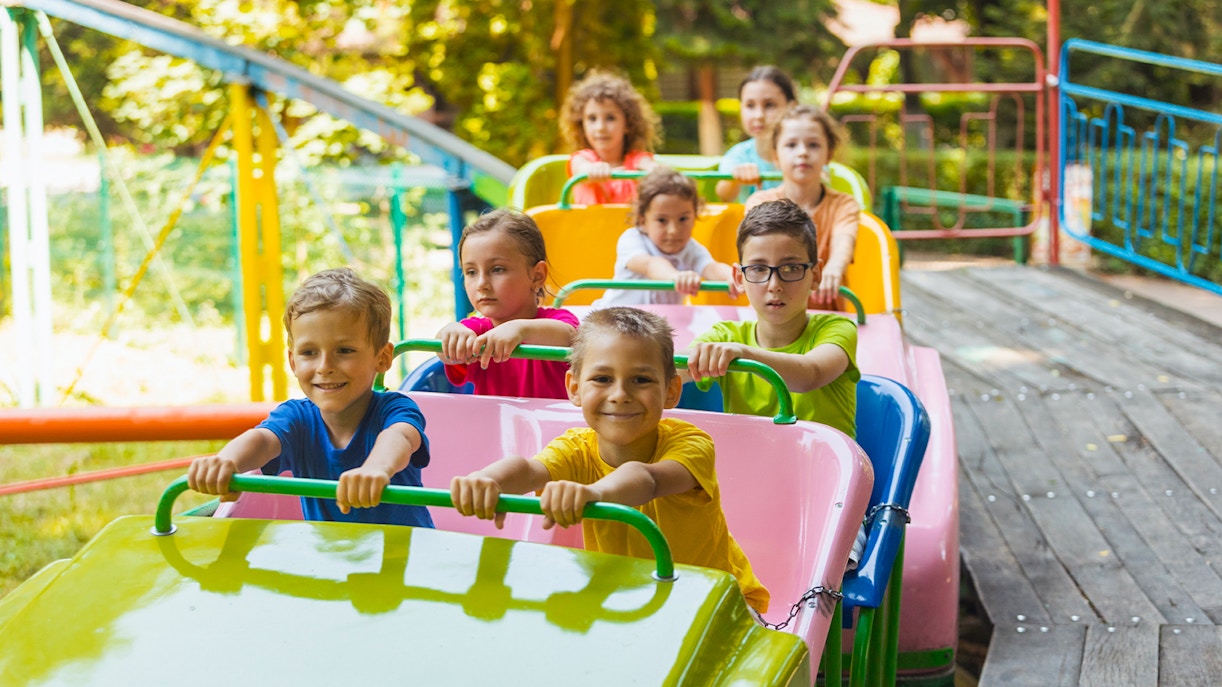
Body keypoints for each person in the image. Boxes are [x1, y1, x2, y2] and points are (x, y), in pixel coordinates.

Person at [449, 306, 769, 615]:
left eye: (641, 380)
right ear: (574, 388)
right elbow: (529, 469)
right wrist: (489, 480)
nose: (619, 394)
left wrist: (594, 494)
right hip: (634, 602)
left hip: (720, 603)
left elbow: (648, 479)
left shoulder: (691, 443)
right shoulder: (577, 447)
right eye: (602, 379)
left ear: (671, 391)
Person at [188, 268, 433, 527]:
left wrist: (376, 469)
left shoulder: (394, 409)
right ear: (293, 361)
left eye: (345, 350)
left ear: (382, 358)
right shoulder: (297, 417)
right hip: (330, 559)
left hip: (406, 558)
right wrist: (226, 461)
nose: (325, 366)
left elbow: (399, 438)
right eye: (309, 352)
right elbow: (261, 440)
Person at [687, 199, 859, 440]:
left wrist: (743, 355)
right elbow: (670, 374)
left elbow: (810, 374)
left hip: (824, 471)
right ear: (739, 277)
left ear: (816, 274)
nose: (774, 285)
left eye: (790, 268)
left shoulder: (837, 329)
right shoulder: (725, 336)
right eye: (758, 269)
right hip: (754, 468)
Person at [437, 208, 578, 399]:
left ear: (537, 276)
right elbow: (446, 353)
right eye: (471, 272)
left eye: (497, 269)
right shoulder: (476, 331)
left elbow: (570, 337)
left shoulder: (558, 320)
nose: (481, 284)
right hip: (497, 427)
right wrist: (449, 334)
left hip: (557, 428)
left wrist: (520, 330)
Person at [746, 104, 860, 309]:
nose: (803, 153)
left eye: (813, 145)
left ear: (829, 154)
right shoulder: (759, 203)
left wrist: (835, 267)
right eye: (791, 145)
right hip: (772, 311)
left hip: (825, 314)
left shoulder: (843, 204)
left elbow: (844, 241)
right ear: (775, 155)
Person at [595, 167, 741, 307]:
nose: (673, 230)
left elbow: (711, 267)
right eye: (662, 220)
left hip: (656, 324)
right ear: (642, 221)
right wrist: (676, 277)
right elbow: (650, 265)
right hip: (614, 319)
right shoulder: (632, 239)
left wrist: (732, 277)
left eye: (683, 219)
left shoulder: (691, 248)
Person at [560, 70, 659, 205]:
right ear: (581, 124)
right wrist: (591, 170)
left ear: (628, 124)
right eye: (592, 118)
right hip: (590, 225)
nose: (600, 127)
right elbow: (581, 168)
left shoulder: (636, 160)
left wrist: (652, 170)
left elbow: (650, 166)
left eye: (610, 118)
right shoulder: (582, 159)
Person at [715, 66, 798, 203]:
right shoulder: (738, 156)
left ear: (791, 107)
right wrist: (734, 179)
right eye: (750, 105)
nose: (758, 116)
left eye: (769, 105)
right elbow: (724, 195)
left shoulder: (805, 152)